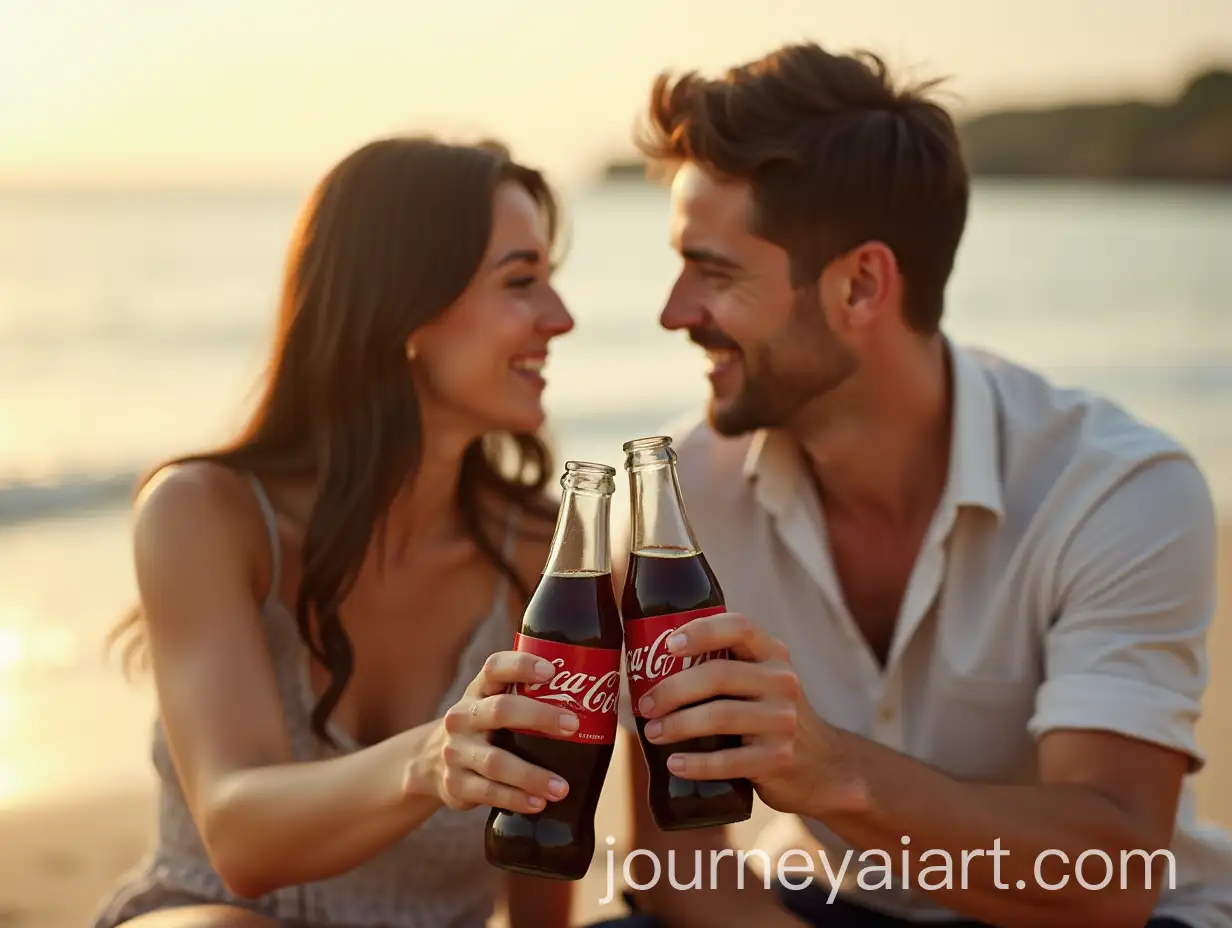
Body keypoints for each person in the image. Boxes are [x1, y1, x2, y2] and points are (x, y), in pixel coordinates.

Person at [604, 42, 1232, 928]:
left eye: (714, 271)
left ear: (861, 285)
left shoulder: (1119, 490)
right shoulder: (674, 500)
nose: (674, 312)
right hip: (829, 908)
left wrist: (833, 771)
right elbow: (677, 866)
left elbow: (1108, 878)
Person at [92, 136, 589, 928]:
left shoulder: (545, 558)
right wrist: (431, 761)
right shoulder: (204, 516)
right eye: (521, 282)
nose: (559, 319)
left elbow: (543, 864)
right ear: (405, 308)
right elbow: (239, 835)